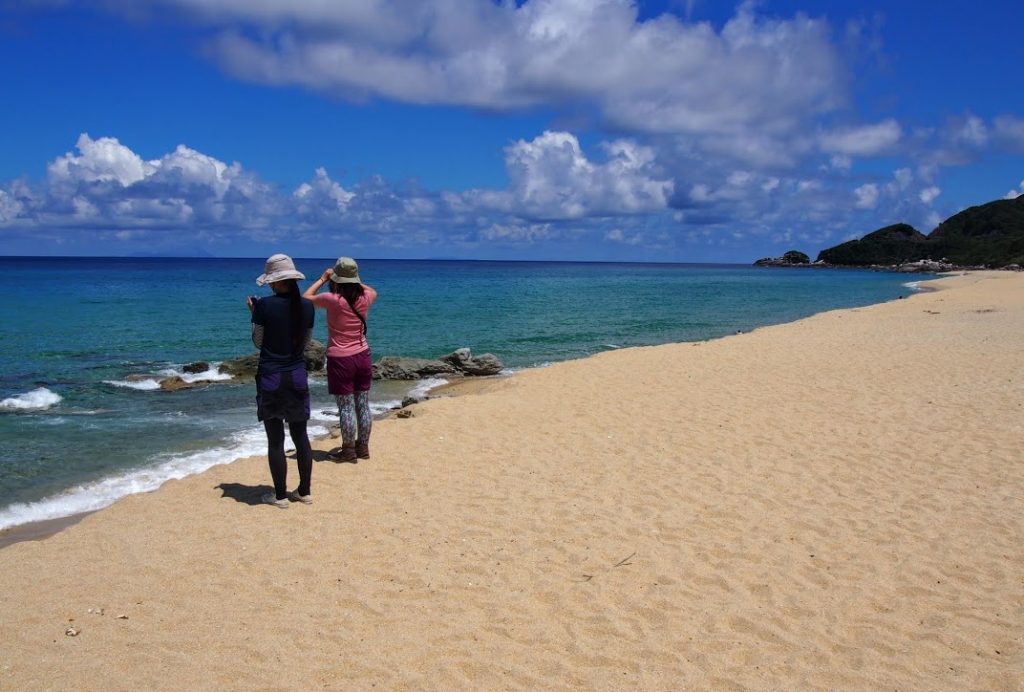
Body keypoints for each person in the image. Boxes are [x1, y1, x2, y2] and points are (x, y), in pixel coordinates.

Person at [248, 254, 315, 508]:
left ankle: (279, 496)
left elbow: (259, 342)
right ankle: (304, 491)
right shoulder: (307, 306)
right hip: (297, 373)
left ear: (275, 281)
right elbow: (306, 342)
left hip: (271, 375)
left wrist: (254, 314)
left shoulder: (264, 305)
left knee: (275, 440)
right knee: (301, 435)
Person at [303, 257, 378, 461]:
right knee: (363, 404)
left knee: (345, 407)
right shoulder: (365, 297)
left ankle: (348, 451)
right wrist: (354, 281)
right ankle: (363, 448)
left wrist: (322, 278)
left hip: (340, 358)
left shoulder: (333, 299)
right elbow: (373, 291)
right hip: (363, 355)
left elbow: (306, 297)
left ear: (336, 279)